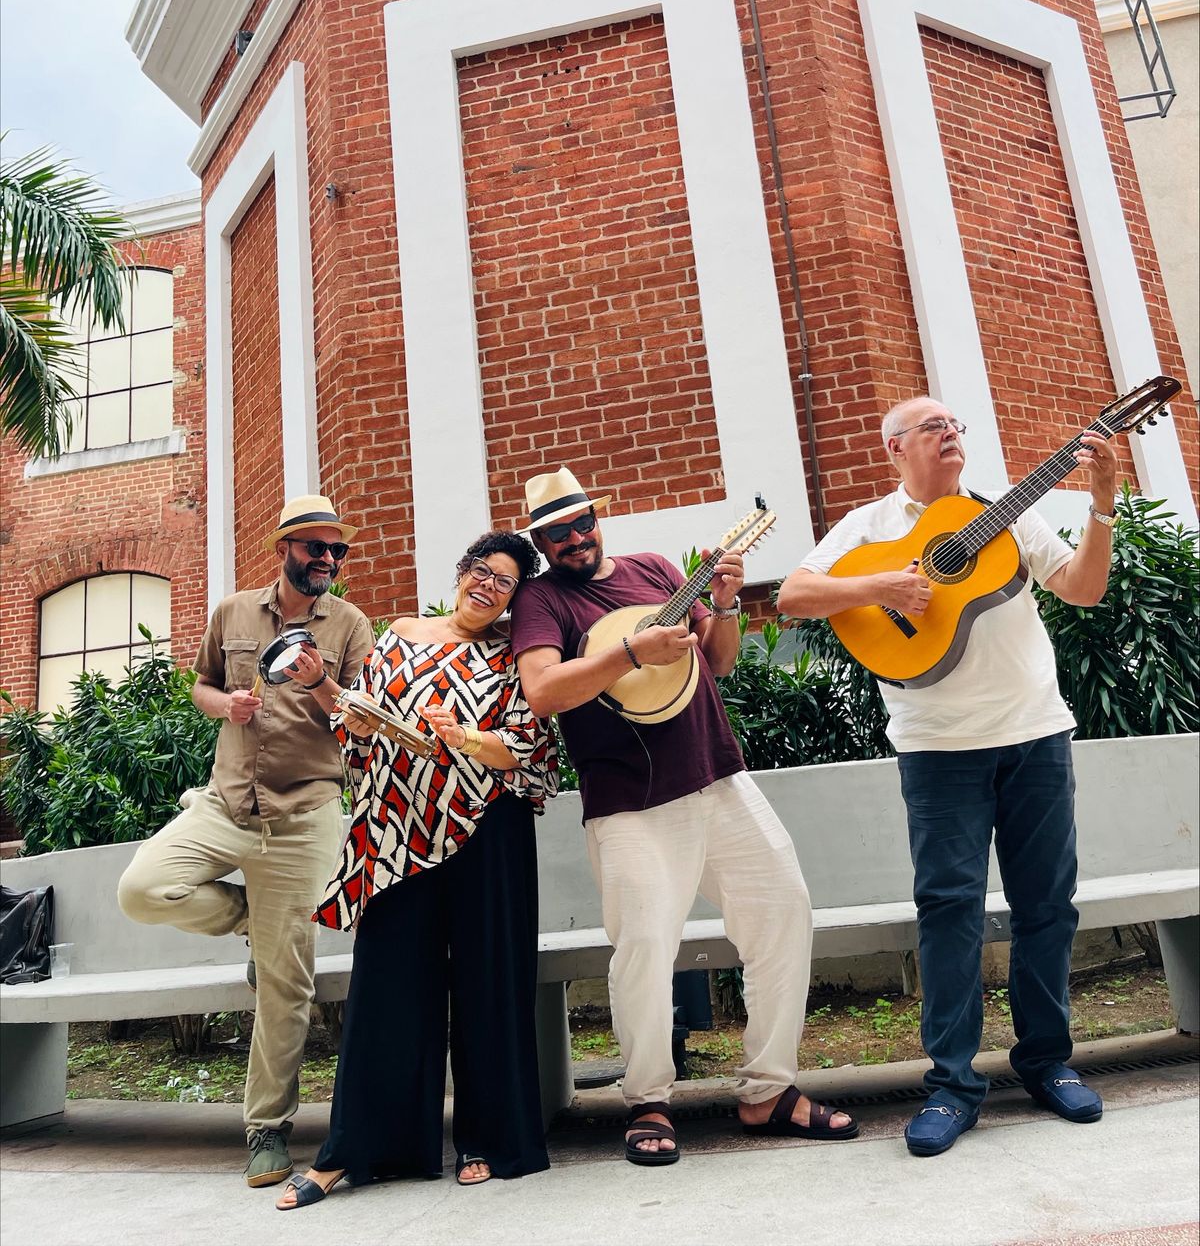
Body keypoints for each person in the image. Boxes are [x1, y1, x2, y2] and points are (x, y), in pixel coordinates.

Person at [778, 398, 1119, 1157]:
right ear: (895, 448)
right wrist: (882, 589)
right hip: (936, 748)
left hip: (1035, 733)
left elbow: (1082, 588)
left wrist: (1101, 504)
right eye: (934, 426)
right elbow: (794, 596)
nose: (951, 434)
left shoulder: (1006, 512)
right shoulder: (869, 527)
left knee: (1046, 907)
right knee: (950, 911)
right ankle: (953, 1085)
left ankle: (1047, 1063)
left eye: (956, 425)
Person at [509, 467, 856, 1166]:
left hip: (718, 778)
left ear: (597, 520)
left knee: (784, 911)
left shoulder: (656, 570)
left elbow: (718, 663)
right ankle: (648, 1101)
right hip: (630, 804)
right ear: (542, 541)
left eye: (582, 524)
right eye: (557, 533)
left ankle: (768, 1089)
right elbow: (542, 692)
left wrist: (722, 606)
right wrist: (632, 651)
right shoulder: (542, 601)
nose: (574, 538)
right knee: (644, 946)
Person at [276, 530, 556, 1210]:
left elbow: (529, 754)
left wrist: (466, 740)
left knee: (491, 985)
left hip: (486, 828)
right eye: (481, 572)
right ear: (460, 572)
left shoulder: (516, 656)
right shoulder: (399, 635)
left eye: (505, 583)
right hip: (396, 832)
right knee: (387, 986)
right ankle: (359, 1151)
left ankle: (488, 1140)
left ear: (516, 598)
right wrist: (320, 684)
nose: (487, 587)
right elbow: (357, 726)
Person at [117, 495, 375, 1186]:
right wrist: (224, 704)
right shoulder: (233, 612)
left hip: (304, 813)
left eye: (336, 551)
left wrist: (321, 683)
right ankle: (254, 930)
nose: (327, 560)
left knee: (286, 984)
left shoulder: (349, 625)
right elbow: (200, 685)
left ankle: (267, 1128)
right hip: (226, 801)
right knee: (141, 889)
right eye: (314, 548)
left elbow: (361, 722)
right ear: (284, 549)